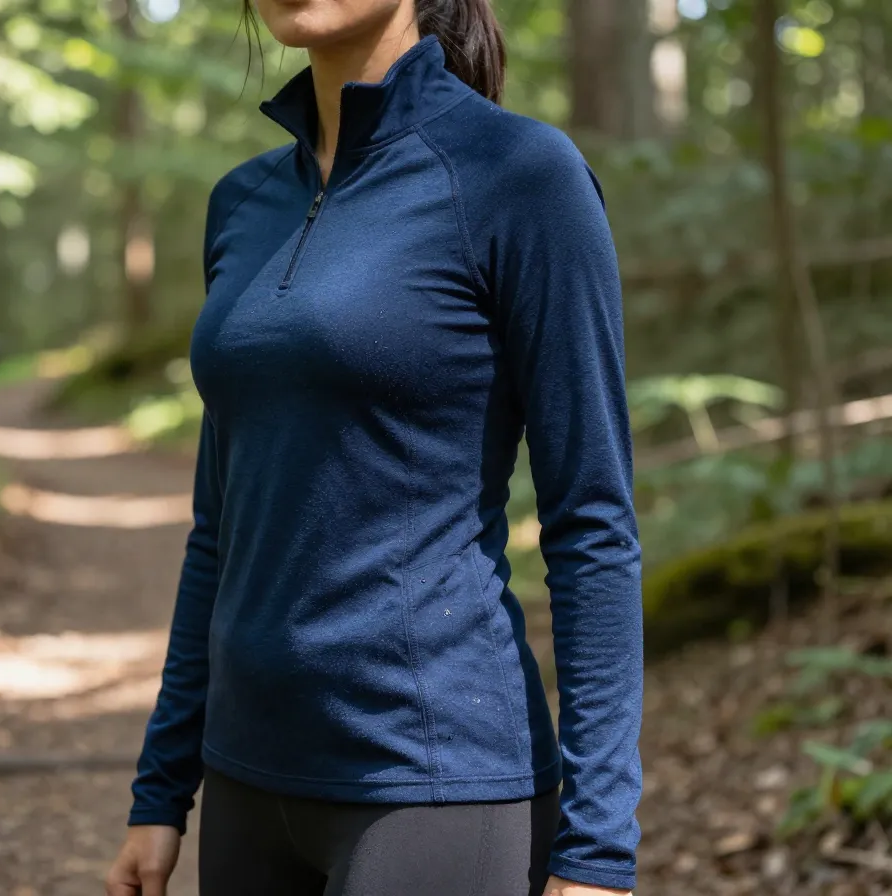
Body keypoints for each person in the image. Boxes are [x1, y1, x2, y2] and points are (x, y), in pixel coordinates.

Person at [105, 0, 643, 893]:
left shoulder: (518, 173)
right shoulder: (242, 202)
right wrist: (161, 789)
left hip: (435, 785)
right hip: (246, 776)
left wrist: (598, 849)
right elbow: (220, 526)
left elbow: (592, 524)